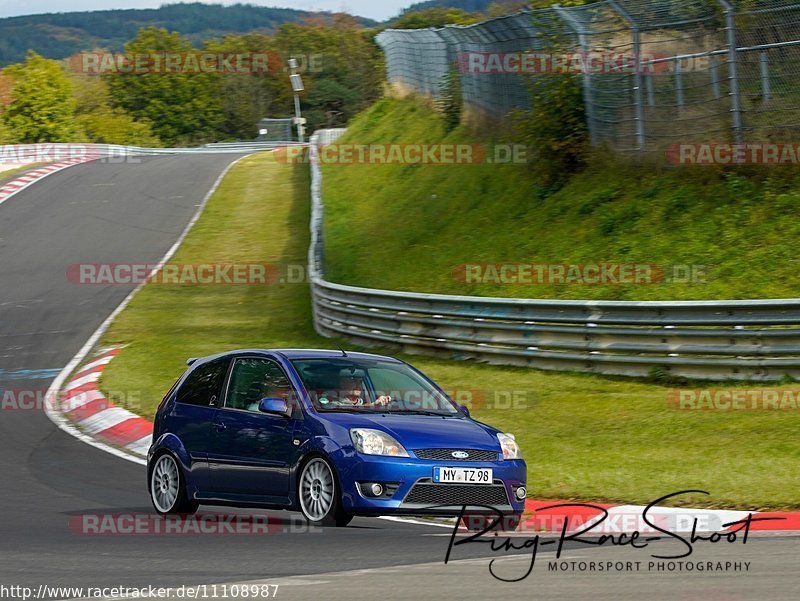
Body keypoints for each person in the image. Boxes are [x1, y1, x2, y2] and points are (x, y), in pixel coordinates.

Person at [319, 373, 391, 408]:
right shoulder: (329, 400)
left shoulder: (361, 402)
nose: (358, 384)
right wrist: (373, 405)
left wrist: (380, 402)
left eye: (360, 381)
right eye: (353, 380)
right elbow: (343, 409)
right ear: (342, 383)